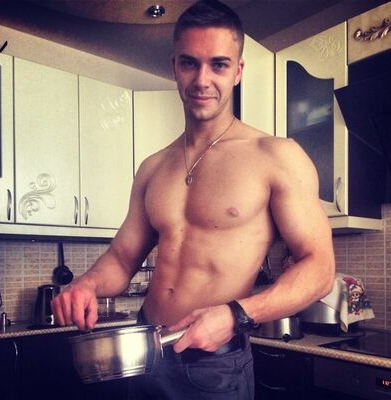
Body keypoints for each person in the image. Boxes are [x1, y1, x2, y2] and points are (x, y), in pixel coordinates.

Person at [51, 0, 335, 399]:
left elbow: (320, 269)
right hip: (144, 354)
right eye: (190, 63)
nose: (202, 79)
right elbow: (122, 259)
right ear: (174, 67)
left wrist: (238, 314)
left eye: (218, 65)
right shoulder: (153, 167)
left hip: (213, 365)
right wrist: (87, 284)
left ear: (238, 71)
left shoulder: (276, 156)